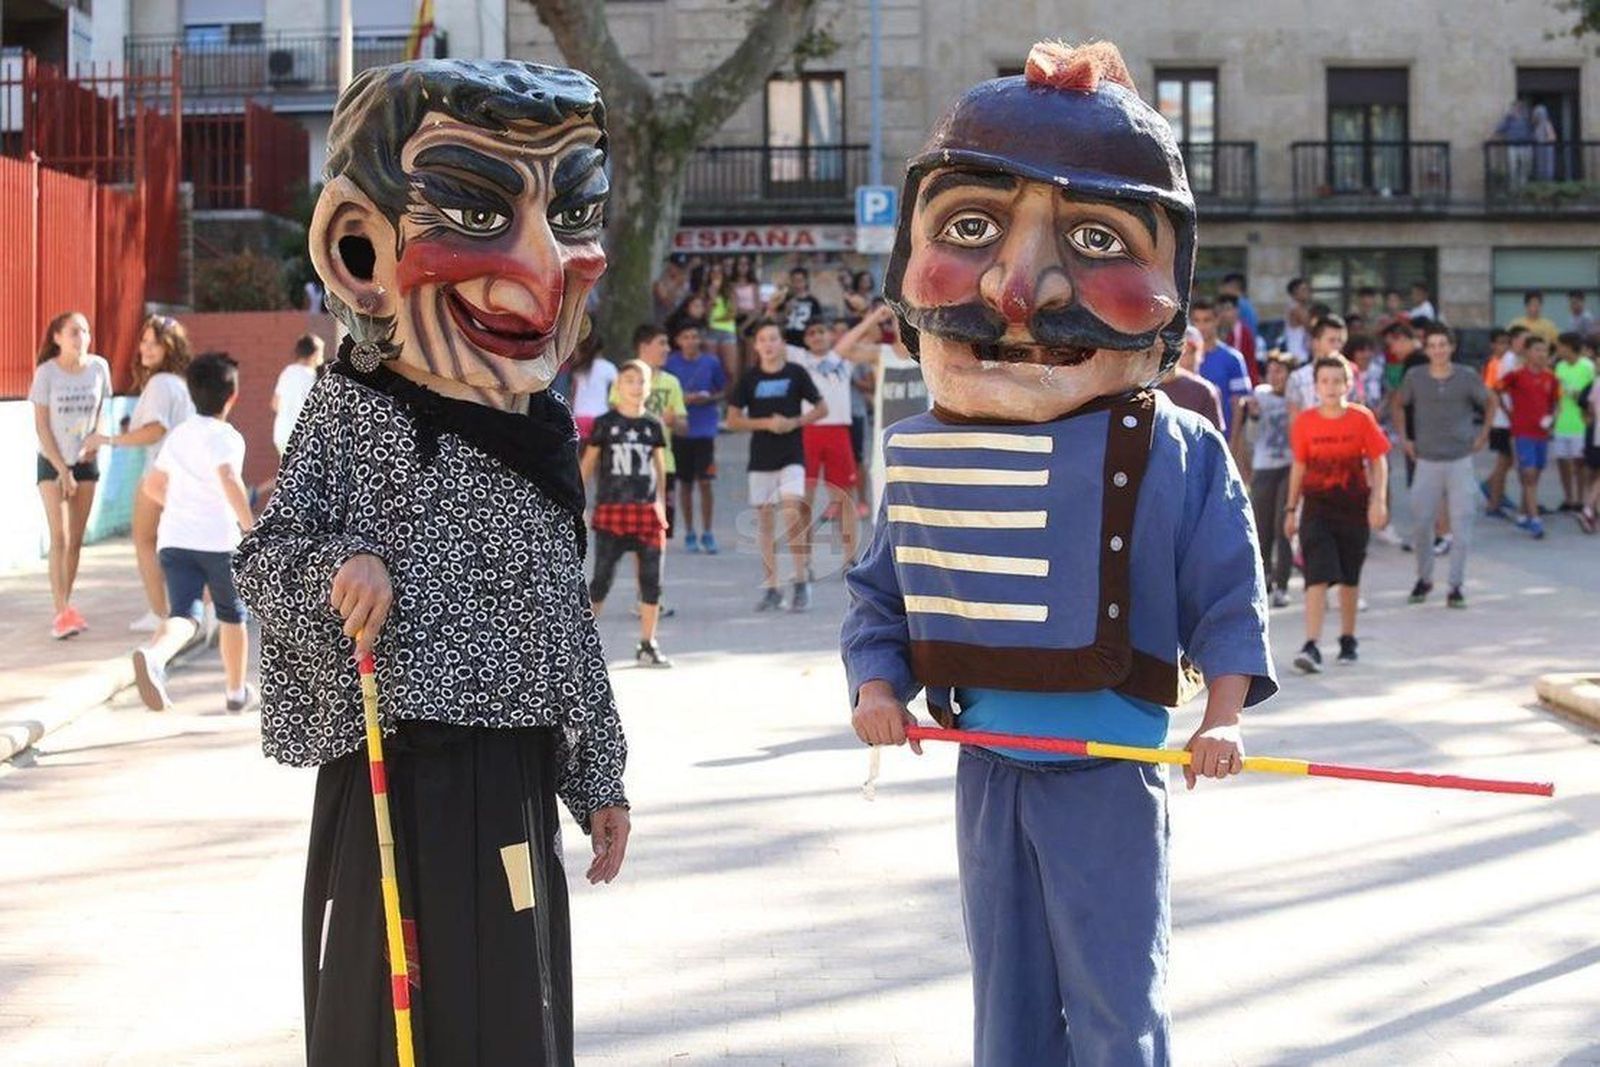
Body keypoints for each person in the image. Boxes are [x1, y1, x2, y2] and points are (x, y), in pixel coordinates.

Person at [844, 43, 1274, 1067]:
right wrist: (875, 682)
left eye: (1094, 238)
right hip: (986, 762)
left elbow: (1225, 591)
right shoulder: (919, 450)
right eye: (968, 227)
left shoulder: (1177, 447)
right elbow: (880, 592)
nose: (1017, 289)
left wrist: (1220, 718)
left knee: (1117, 996)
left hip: (1109, 768)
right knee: (1010, 997)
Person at [233, 60, 630, 1066]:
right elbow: (265, 560)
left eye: (575, 210)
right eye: (473, 207)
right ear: (358, 242)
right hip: (391, 774)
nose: (546, 261)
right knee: (385, 1018)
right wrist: (340, 566)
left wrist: (599, 775)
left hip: (509, 777)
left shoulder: (539, 426)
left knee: (511, 1013)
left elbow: (562, 612)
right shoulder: (357, 402)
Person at [130, 353, 255, 711]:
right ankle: (235, 693)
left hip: (175, 539)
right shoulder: (227, 436)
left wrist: (183, 505)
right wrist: (250, 528)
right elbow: (229, 477)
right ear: (232, 396)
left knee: (184, 614)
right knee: (233, 614)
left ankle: (155, 656)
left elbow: (153, 485)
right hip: (218, 542)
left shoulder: (179, 434)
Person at [80, 314, 196, 632]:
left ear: (168, 347)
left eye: (153, 343)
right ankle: (197, 612)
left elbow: (155, 430)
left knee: (145, 540)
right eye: (143, 341)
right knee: (183, 545)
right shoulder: (179, 382)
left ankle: (160, 614)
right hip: (184, 474)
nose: (144, 348)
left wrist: (107, 440)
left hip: (159, 473)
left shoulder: (160, 383)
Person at [1286, 354, 1390, 673]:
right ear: (1316, 386)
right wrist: (1291, 509)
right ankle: (1312, 644)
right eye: (1324, 381)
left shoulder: (1361, 419)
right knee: (1316, 574)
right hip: (1316, 508)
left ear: (1348, 384)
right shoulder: (1304, 422)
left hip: (1353, 507)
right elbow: (1299, 466)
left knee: (1348, 577)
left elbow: (1379, 459)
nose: (1331, 387)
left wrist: (1378, 500)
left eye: (1337, 381)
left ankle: (1348, 639)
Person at [729, 321, 826, 611]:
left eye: (773, 338)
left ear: (782, 343)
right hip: (761, 457)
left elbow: (822, 408)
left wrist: (794, 422)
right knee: (766, 524)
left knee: (792, 513)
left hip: (791, 454)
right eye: (763, 339)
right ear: (756, 346)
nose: (769, 344)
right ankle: (772, 586)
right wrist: (765, 423)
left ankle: (800, 580)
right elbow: (733, 420)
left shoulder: (796, 373)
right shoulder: (749, 379)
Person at [582, 360, 672, 667]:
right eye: (629, 381)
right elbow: (588, 465)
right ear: (618, 387)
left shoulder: (653, 424)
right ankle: (582, 643)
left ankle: (648, 642)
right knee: (601, 579)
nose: (636, 387)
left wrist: (660, 499)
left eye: (641, 382)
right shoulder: (605, 423)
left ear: (649, 388)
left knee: (652, 581)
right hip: (611, 510)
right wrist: (579, 502)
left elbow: (659, 465)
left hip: (646, 512)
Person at [1395, 325, 1490, 608]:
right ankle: (1424, 578)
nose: (1438, 350)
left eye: (1442, 345)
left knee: (1462, 525)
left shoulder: (1466, 377)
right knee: (1422, 524)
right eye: (1432, 345)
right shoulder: (1415, 377)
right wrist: (1405, 438)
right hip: (1426, 459)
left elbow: (1490, 401)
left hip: (1460, 459)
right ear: (1426, 349)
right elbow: (1399, 404)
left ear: (1451, 347)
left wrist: (1483, 433)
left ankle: (1456, 585)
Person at [30, 311, 111, 640]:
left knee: (76, 540)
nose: (82, 338)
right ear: (57, 338)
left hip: (85, 462)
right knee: (59, 537)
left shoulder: (99, 368)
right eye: (74, 332)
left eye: (86, 332)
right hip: (52, 461)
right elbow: (41, 425)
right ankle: (61, 611)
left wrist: (98, 440)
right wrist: (63, 470)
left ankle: (68, 604)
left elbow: (103, 412)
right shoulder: (46, 373)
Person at [789, 308, 889, 569]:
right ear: (805, 339)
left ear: (830, 335)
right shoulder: (798, 359)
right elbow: (767, 340)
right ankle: (804, 559)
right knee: (805, 499)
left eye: (821, 332)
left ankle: (849, 559)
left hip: (839, 433)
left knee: (845, 498)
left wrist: (871, 316)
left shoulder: (843, 359)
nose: (817, 337)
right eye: (811, 333)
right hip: (809, 431)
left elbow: (869, 335)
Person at [665, 317, 728, 553]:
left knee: (706, 482)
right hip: (681, 430)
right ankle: (690, 531)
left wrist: (707, 399)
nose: (691, 341)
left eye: (695, 336)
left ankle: (708, 531)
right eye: (686, 337)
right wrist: (682, 400)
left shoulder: (711, 362)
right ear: (678, 341)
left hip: (705, 430)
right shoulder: (670, 364)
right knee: (685, 484)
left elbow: (722, 390)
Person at [1496, 335, 1561, 538]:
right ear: (1526, 353)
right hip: (1522, 433)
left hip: (1541, 434)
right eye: (1537, 350)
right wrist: (1508, 413)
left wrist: (1553, 420)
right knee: (1529, 474)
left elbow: (1556, 403)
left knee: (1534, 475)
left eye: (1544, 350)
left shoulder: (1551, 378)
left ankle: (1524, 513)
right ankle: (1535, 520)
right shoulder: (1516, 375)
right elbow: (1495, 390)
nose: (1541, 354)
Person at [1246, 352, 1295, 608]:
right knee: (1261, 526)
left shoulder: (1296, 398)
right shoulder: (1260, 395)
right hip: (1264, 465)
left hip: (1290, 466)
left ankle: (1283, 583)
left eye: (1281, 371)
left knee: (1282, 526)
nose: (1275, 376)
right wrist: (1253, 416)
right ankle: (1263, 578)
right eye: (1271, 371)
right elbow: (1251, 438)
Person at [1189, 298, 1251, 444]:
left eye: (1207, 320)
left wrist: (1233, 442)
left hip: (1222, 438)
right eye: (1196, 321)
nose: (1201, 326)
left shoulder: (1233, 358)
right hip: (1191, 438)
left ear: (1217, 320)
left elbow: (1239, 403)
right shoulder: (1182, 359)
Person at [1483, 326, 1525, 517]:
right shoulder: (1503, 362)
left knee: (1507, 461)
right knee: (1504, 461)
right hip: (1503, 420)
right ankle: (1494, 503)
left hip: (1506, 419)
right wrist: (1509, 413)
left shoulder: (1511, 360)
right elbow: (1496, 391)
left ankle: (1492, 489)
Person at [1552, 332, 1596, 510]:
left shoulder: (1587, 366)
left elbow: (1594, 392)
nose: (1558, 350)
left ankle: (1581, 499)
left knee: (1580, 463)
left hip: (1581, 423)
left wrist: (1577, 395)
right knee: (1562, 462)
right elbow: (1555, 393)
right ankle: (1568, 498)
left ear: (1569, 346)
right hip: (1562, 421)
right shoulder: (1559, 366)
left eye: (1560, 346)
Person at [1158, 325, 1225, 430]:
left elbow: (1213, 439)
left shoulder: (1204, 390)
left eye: (1192, 352)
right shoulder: (1142, 388)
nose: (1187, 358)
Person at [1285, 315, 1350, 417]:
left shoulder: (1350, 373)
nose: (1337, 346)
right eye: (1331, 340)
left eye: (1340, 341)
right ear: (1316, 342)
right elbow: (1294, 423)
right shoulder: (1297, 379)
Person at [271, 334, 325, 456]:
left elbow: (275, 404)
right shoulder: (312, 377)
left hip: (281, 433)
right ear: (315, 354)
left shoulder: (287, 372)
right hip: (301, 438)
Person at [568, 335, 618, 441]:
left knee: (579, 455)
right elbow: (615, 395)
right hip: (600, 416)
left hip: (579, 416)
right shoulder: (609, 368)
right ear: (602, 349)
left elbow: (573, 395)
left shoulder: (578, 369)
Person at [766, 266, 825, 346]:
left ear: (806, 281)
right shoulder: (785, 299)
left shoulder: (813, 301)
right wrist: (786, 310)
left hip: (805, 342)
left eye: (800, 281)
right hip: (786, 340)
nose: (797, 284)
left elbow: (817, 323)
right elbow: (775, 320)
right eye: (794, 281)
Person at [1215, 292, 1257, 381]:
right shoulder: (1217, 331)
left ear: (1236, 310)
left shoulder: (1244, 333)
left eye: (1228, 309)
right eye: (1221, 310)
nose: (1224, 314)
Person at [1282, 276, 1311, 360]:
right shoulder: (1296, 308)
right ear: (1295, 291)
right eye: (1303, 290)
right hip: (1298, 354)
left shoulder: (1295, 306)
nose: (1307, 293)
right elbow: (1311, 327)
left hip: (1299, 352)